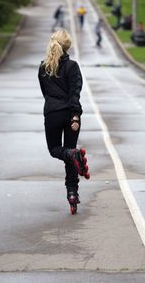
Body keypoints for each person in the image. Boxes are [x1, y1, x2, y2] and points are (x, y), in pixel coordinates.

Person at [38, 30, 90, 214]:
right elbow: (75, 93)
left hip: (52, 113)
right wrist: (75, 116)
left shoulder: (43, 67)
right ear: (68, 47)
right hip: (70, 115)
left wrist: (54, 105)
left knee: (57, 150)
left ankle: (73, 155)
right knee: (70, 154)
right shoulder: (73, 67)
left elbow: (45, 93)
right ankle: (72, 193)